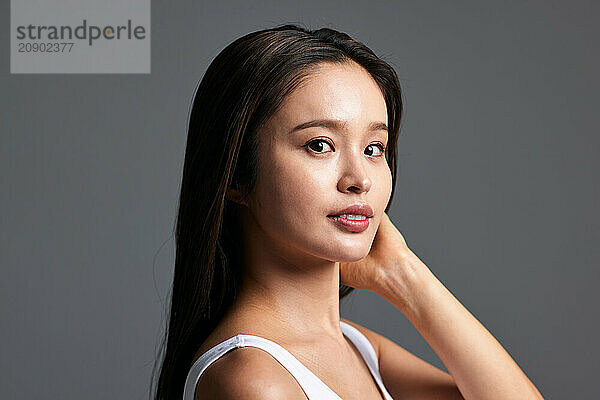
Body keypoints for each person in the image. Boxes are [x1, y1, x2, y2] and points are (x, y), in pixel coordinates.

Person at [152, 24, 544, 400]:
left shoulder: (357, 347)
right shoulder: (254, 379)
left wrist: (404, 276)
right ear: (237, 174)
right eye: (320, 145)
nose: (360, 180)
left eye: (375, 148)